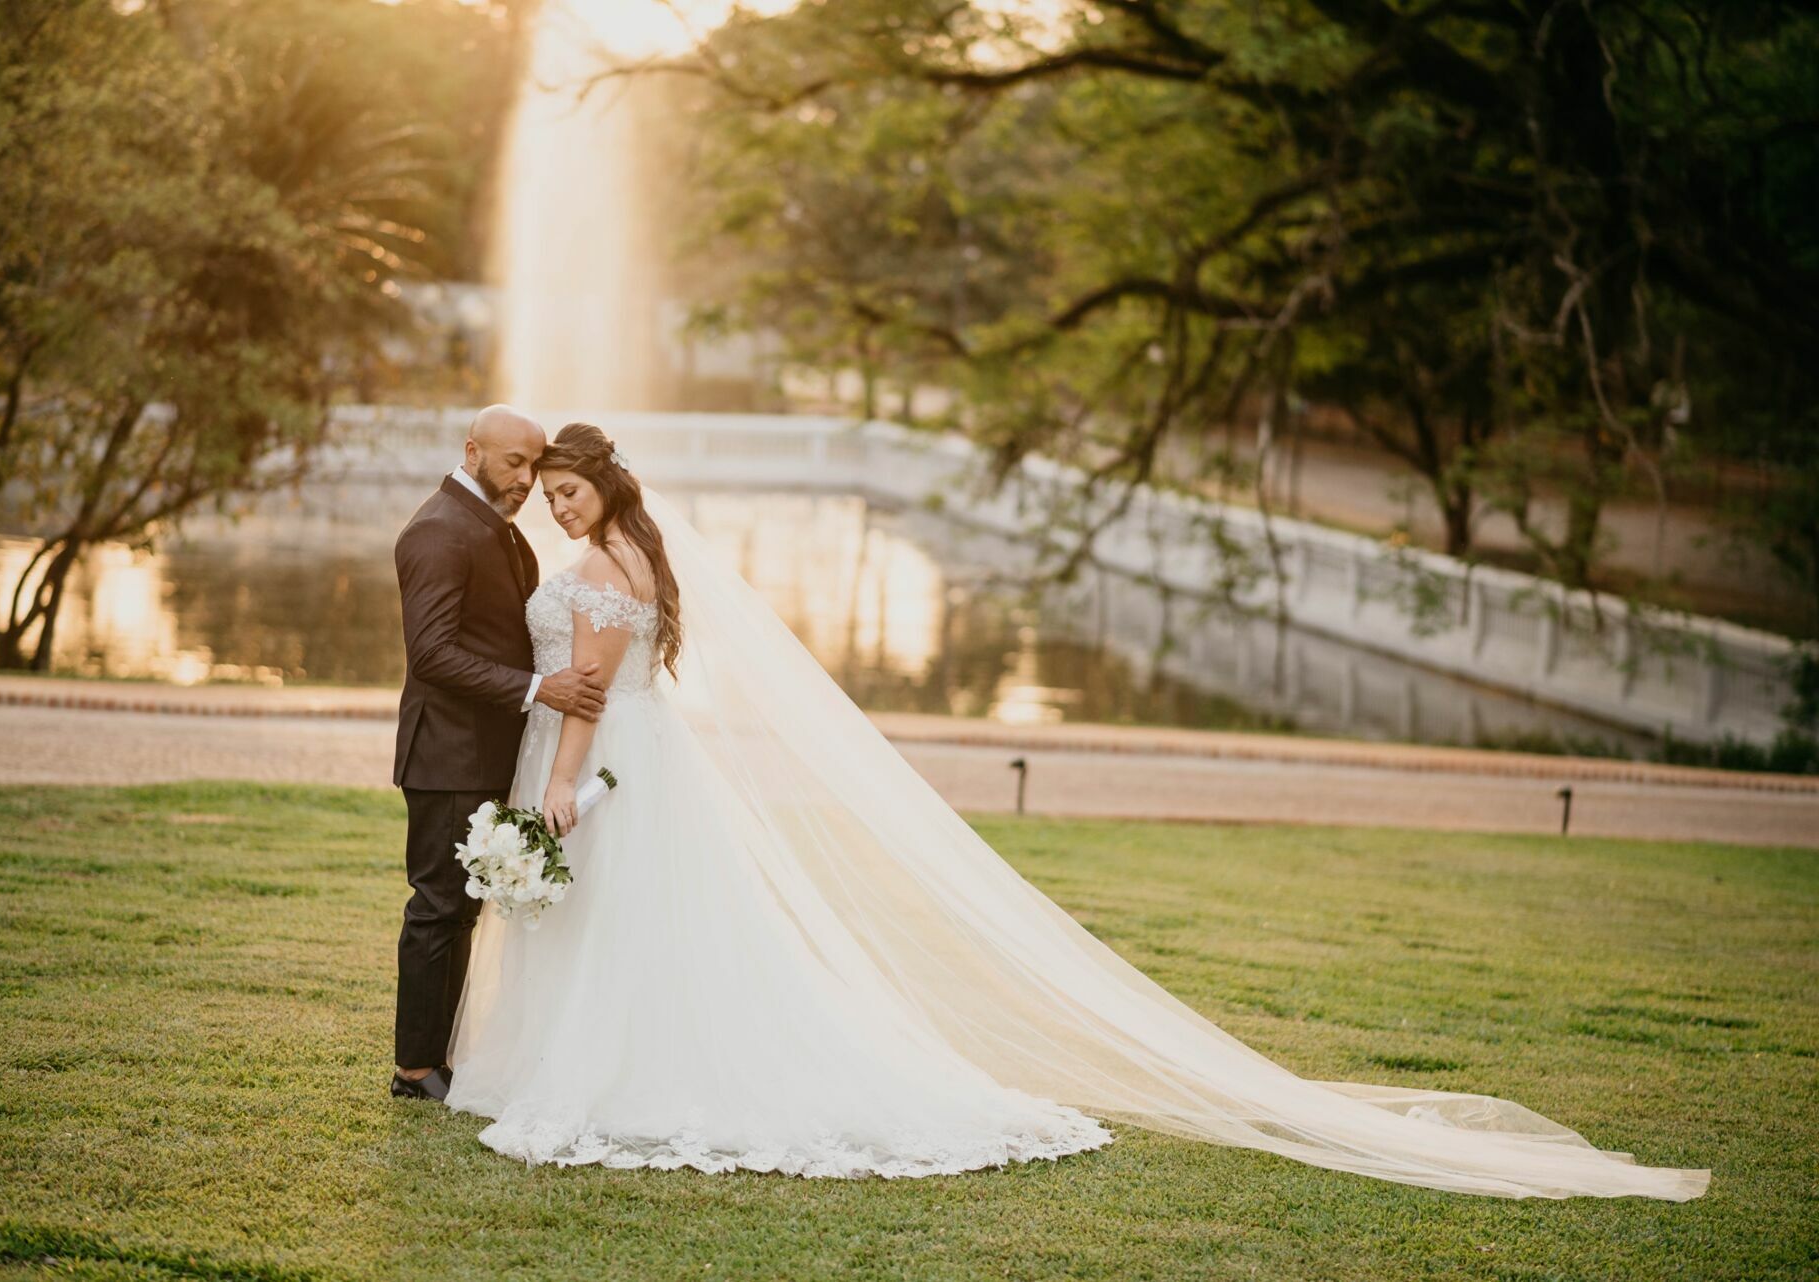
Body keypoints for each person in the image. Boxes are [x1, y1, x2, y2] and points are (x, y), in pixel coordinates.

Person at [440, 421, 1710, 1199]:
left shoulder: (603, 572)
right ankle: (612, 1057)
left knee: (622, 919)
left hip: (608, 766)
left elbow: (594, 697)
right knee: (657, 931)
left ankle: (615, 1074)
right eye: (545, 492)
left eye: (568, 489)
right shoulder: (632, 556)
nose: (556, 506)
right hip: (642, 763)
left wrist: (556, 795)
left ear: (605, 487)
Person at [388, 405, 605, 1103]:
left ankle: (439, 1058)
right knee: (437, 907)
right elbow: (433, 655)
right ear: (473, 450)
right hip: (447, 753)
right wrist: (541, 688)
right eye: (513, 464)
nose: (524, 480)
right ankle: (416, 1070)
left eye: (532, 468)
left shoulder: (495, 531)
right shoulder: (437, 531)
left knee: (463, 911)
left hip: (485, 751)